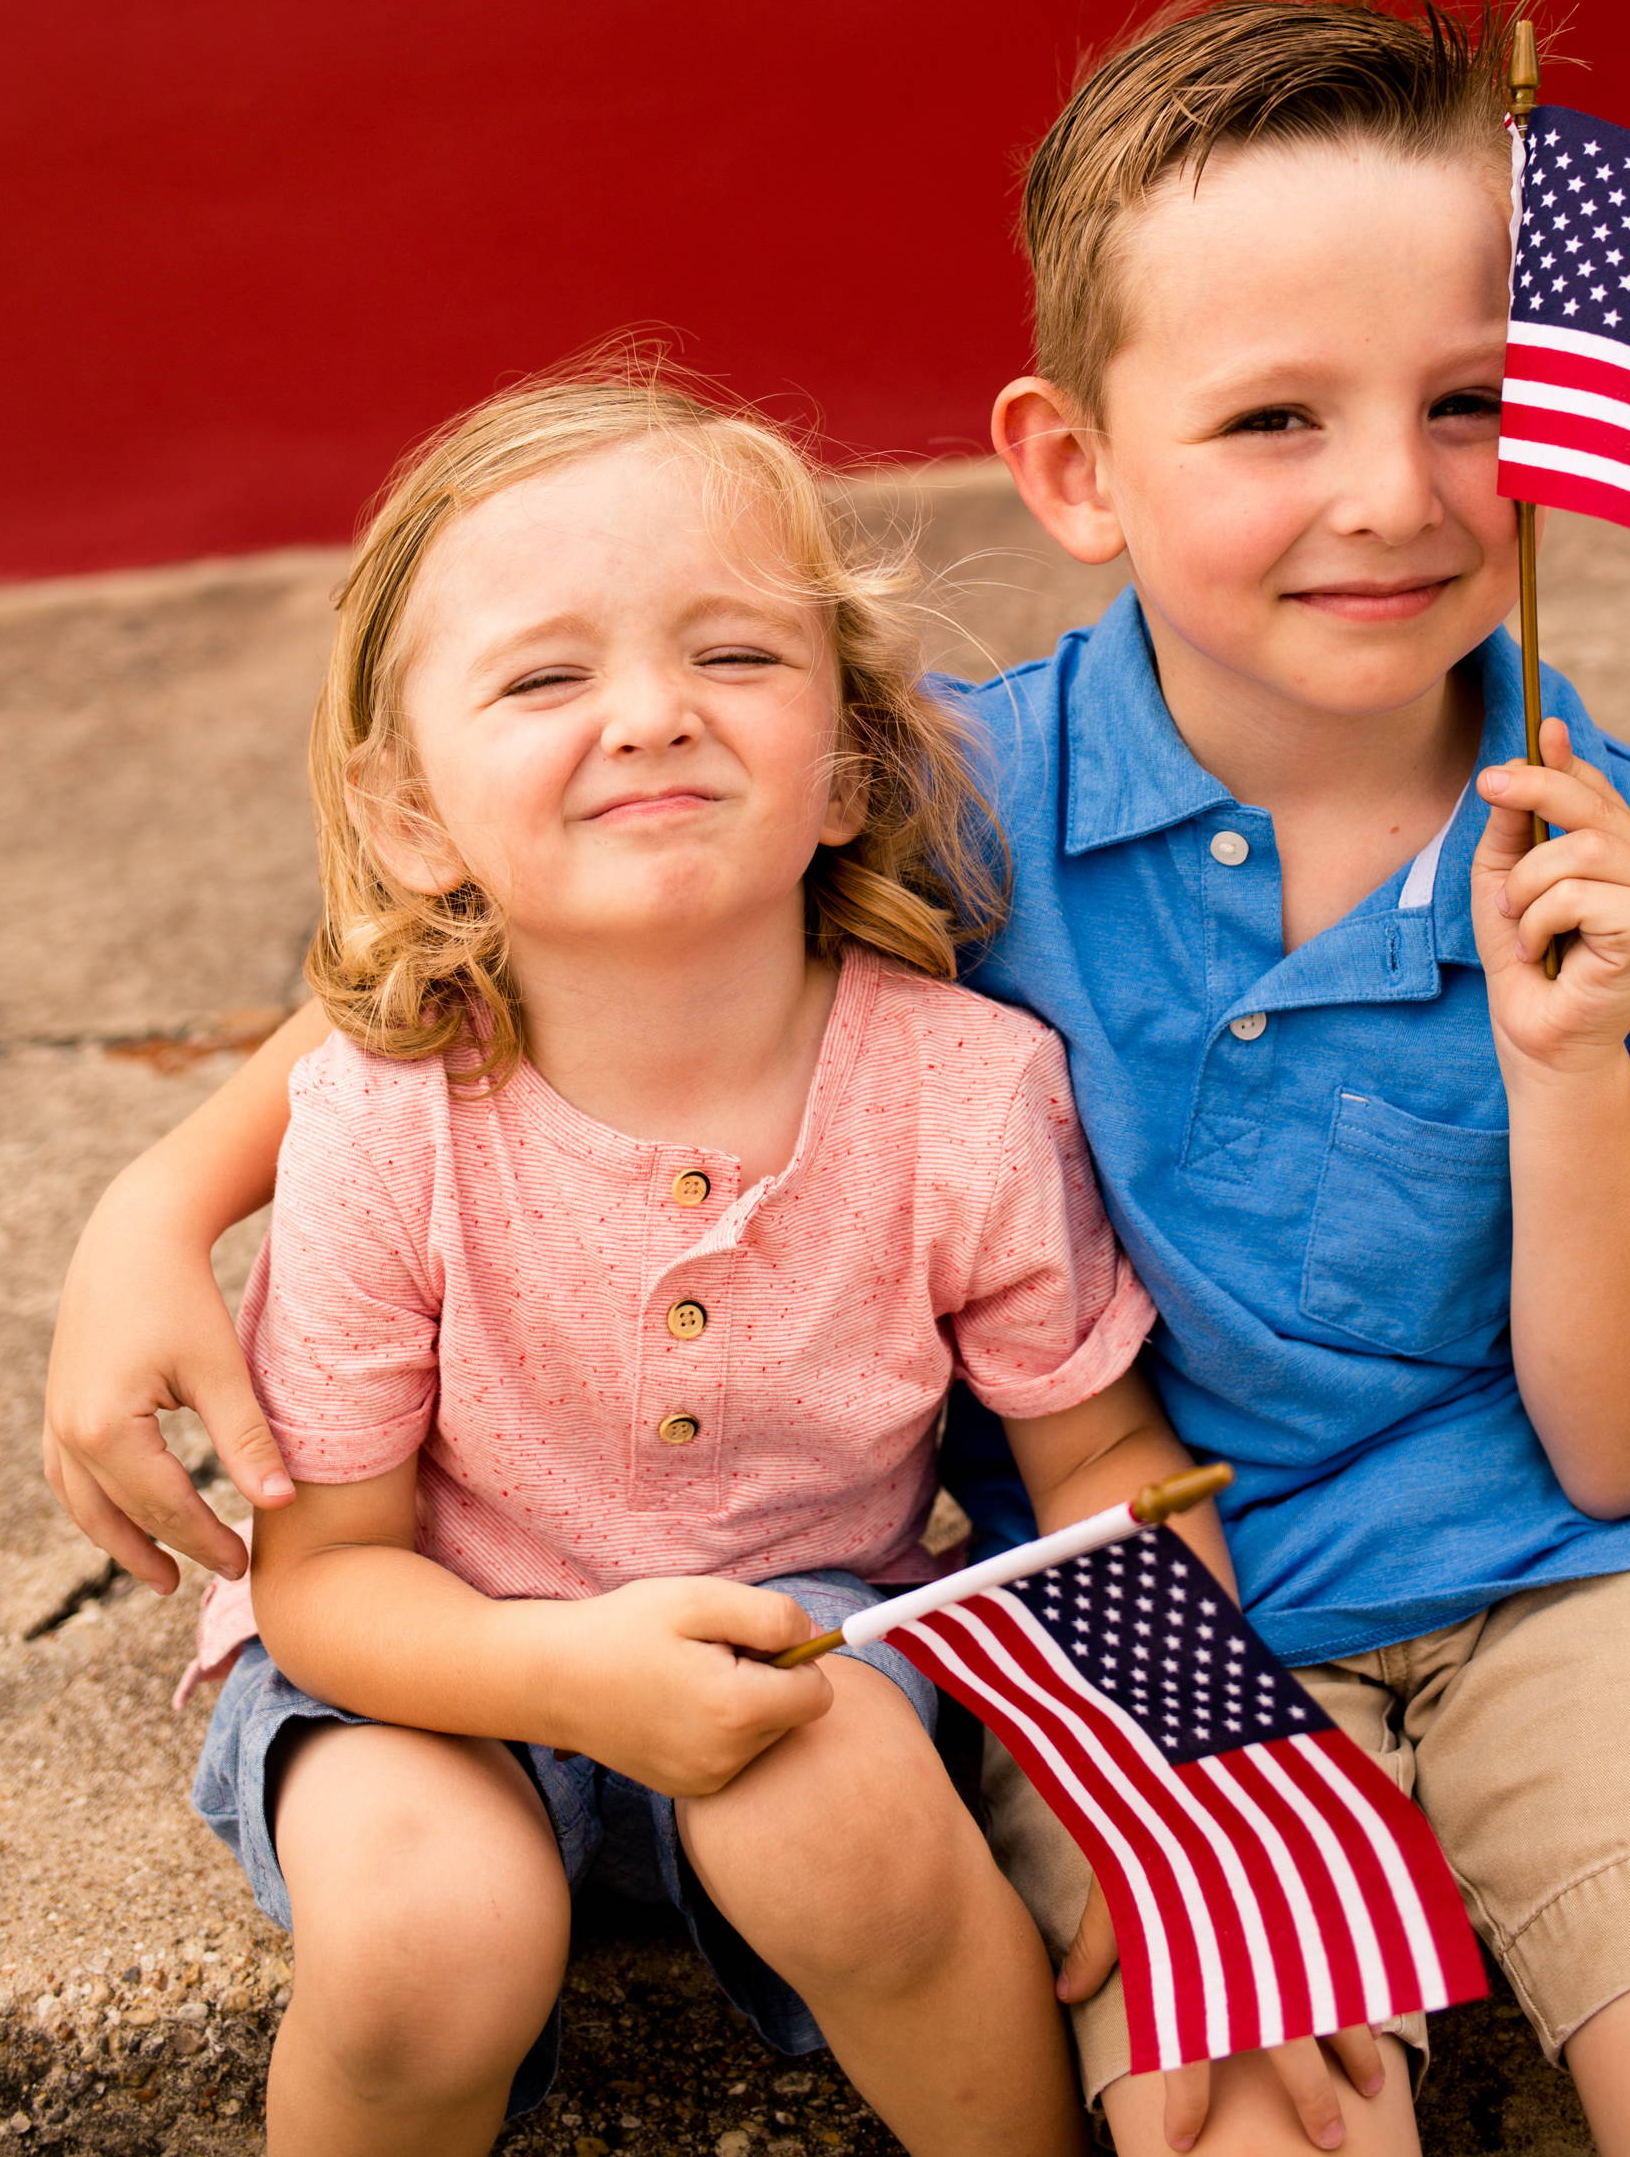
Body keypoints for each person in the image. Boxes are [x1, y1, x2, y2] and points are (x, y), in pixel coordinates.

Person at [45, 0, 1630, 2156]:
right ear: (1072, 471)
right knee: (1252, 2119)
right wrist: (156, 1203)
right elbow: (518, 955)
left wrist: (1564, 1063)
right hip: (1125, 1642)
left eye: (1473, 400)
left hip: (1555, 1577)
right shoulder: (951, 796)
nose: (1390, 493)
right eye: (1273, 418)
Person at [115, 366, 1229, 2157]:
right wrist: (559, 1677)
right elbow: (326, 1577)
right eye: (546, 678)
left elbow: (1104, 1471)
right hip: (431, 1666)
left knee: (851, 1830)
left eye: (733, 657)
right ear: (412, 817)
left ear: (851, 767)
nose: (648, 717)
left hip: (808, 1644)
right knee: (426, 1942)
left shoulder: (965, 1093)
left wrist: (1178, 1800)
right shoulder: (383, 1121)